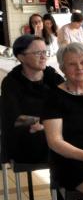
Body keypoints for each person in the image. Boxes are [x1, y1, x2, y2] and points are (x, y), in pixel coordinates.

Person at [42, 43, 83, 196]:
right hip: (72, 163)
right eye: (72, 64)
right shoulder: (53, 97)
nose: (79, 67)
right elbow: (55, 141)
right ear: (62, 68)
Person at [1, 35, 64, 167]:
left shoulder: (53, 78)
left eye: (45, 52)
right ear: (21, 57)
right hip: (27, 142)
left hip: (55, 136)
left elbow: (69, 108)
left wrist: (43, 124)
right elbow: (15, 118)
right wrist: (49, 123)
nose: (44, 56)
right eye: (37, 53)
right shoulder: (11, 82)